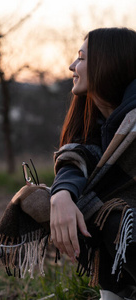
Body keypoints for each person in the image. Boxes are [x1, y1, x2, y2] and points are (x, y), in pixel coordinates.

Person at [50, 27, 136, 299]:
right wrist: (61, 194)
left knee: (115, 218)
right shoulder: (99, 123)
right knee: (99, 212)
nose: (72, 66)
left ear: (107, 62)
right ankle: (116, 293)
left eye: (82, 58)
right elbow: (77, 158)